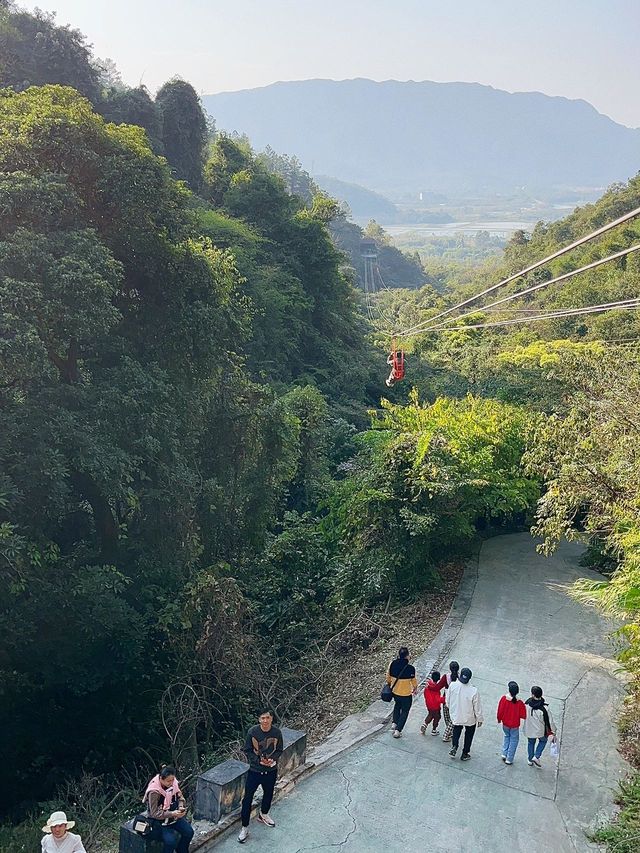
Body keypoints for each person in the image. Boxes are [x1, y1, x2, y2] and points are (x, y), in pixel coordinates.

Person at [238, 709, 284, 844]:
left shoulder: (277, 733)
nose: (265, 721)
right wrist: (258, 761)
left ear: (271, 719)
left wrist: (273, 759)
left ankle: (263, 814)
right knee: (247, 799)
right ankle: (245, 827)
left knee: (269, 793)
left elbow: (279, 749)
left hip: (271, 770)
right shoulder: (253, 732)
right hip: (255, 771)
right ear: (259, 719)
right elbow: (247, 750)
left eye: (267, 718)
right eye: (262, 718)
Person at [143, 765, 194, 853]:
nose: (171, 783)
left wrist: (181, 806)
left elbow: (180, 797)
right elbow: (154, 813)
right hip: (160, 821)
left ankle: (182, 850)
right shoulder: (154, 792)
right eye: (168, 781)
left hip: (174, 817)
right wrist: (172, 813)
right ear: (161, 779)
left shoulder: (174, 784)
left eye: (172, 780)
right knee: (170, 842)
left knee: (189, 832)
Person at [447, 666, 483, 761]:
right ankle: (465, 753)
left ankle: (454, 746)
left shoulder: (452, 686)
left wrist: (452, 710)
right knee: (469, 734)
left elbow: (448, 701)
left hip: (457, 715)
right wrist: (479, 719)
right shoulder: (474, 690)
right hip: (469, 717)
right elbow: (477, 707)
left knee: (457, 730)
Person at [386, 647, 418, 738]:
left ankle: (394, 723)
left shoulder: (392, 664)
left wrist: (390, 684)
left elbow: (388, 678)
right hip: (406, 694)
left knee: (397, 705)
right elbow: (414, 682)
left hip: (395, 692)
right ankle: (398, 730)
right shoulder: (410, 668)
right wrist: (415, 688)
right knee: (405, 711)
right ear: (407, 656)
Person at [524, 685, 556, 767]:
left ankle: (530, 759)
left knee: (531, 743)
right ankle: (536, 756)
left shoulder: (527, 704)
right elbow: (550, 721)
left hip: (529, 729)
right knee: (543, 741)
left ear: (533, 695)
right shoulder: (545, 708)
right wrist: (553, 731)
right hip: (540, 731)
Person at [496, 681, 526, 765]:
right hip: (514, 725)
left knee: (507, 736)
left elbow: (500, 711)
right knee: (514, 740)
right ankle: (509, 758)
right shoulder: (520, 702)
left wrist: (499, 719)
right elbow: (523, 715)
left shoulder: (504, 699)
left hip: (505, 723)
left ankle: (504, 753)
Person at [437, 660, 460, 742]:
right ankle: (448, 733)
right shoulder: (460, 678)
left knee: (447, 716)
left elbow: (438, 687)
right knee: (454, 718)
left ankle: (449, 732)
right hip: (456, 700)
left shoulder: (445, 677)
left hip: (446, 698)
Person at [421, 670, 445, 736]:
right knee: (437, 717)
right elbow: (438, 699)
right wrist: (444, 699)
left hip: (429, 704)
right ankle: (434, 730)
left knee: (431, 714)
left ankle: (425, 724)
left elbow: (425, 694)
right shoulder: (436, 688)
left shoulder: (428, 685)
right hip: (436, 706)